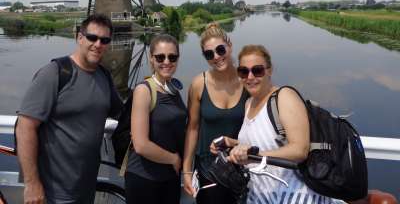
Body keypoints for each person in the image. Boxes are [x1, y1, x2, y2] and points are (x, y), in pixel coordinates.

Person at [16, 14, 123, 204]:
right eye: (92, 37)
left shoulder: (104, 77)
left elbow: (122, 113)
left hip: (86, 187)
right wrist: (32, 184)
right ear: (79, 37)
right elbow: (25, 127)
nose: (98, 44)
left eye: (104, 40)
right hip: (53, 191)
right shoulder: (56, 73)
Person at [213, 44, 333, 204]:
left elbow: (300, 149)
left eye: (257, 70)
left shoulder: (284, 97)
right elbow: (262, 143)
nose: (250, 77)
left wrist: (254, 156)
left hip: (292, 196)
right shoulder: (249, 103)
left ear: (269, 70)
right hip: (259, 196)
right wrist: (232, 143)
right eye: (243, 71)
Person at [183, 23, 248, 204]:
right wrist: (187, 170)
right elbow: (192, 129)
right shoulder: (199, 84)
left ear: (230, 45)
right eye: (209, 54)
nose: (216, 57)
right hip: (209, 169)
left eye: (220, 50)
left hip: (241, 166)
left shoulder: (247, 81)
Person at [125, 34, 187, 204]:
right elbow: (141, 145)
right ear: (151, 59)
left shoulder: (173, 89)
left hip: (170, 178)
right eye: (160, 57)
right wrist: (174, 159)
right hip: (145, 179)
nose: (166, 61)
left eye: (172, 57)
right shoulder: (144, 91)